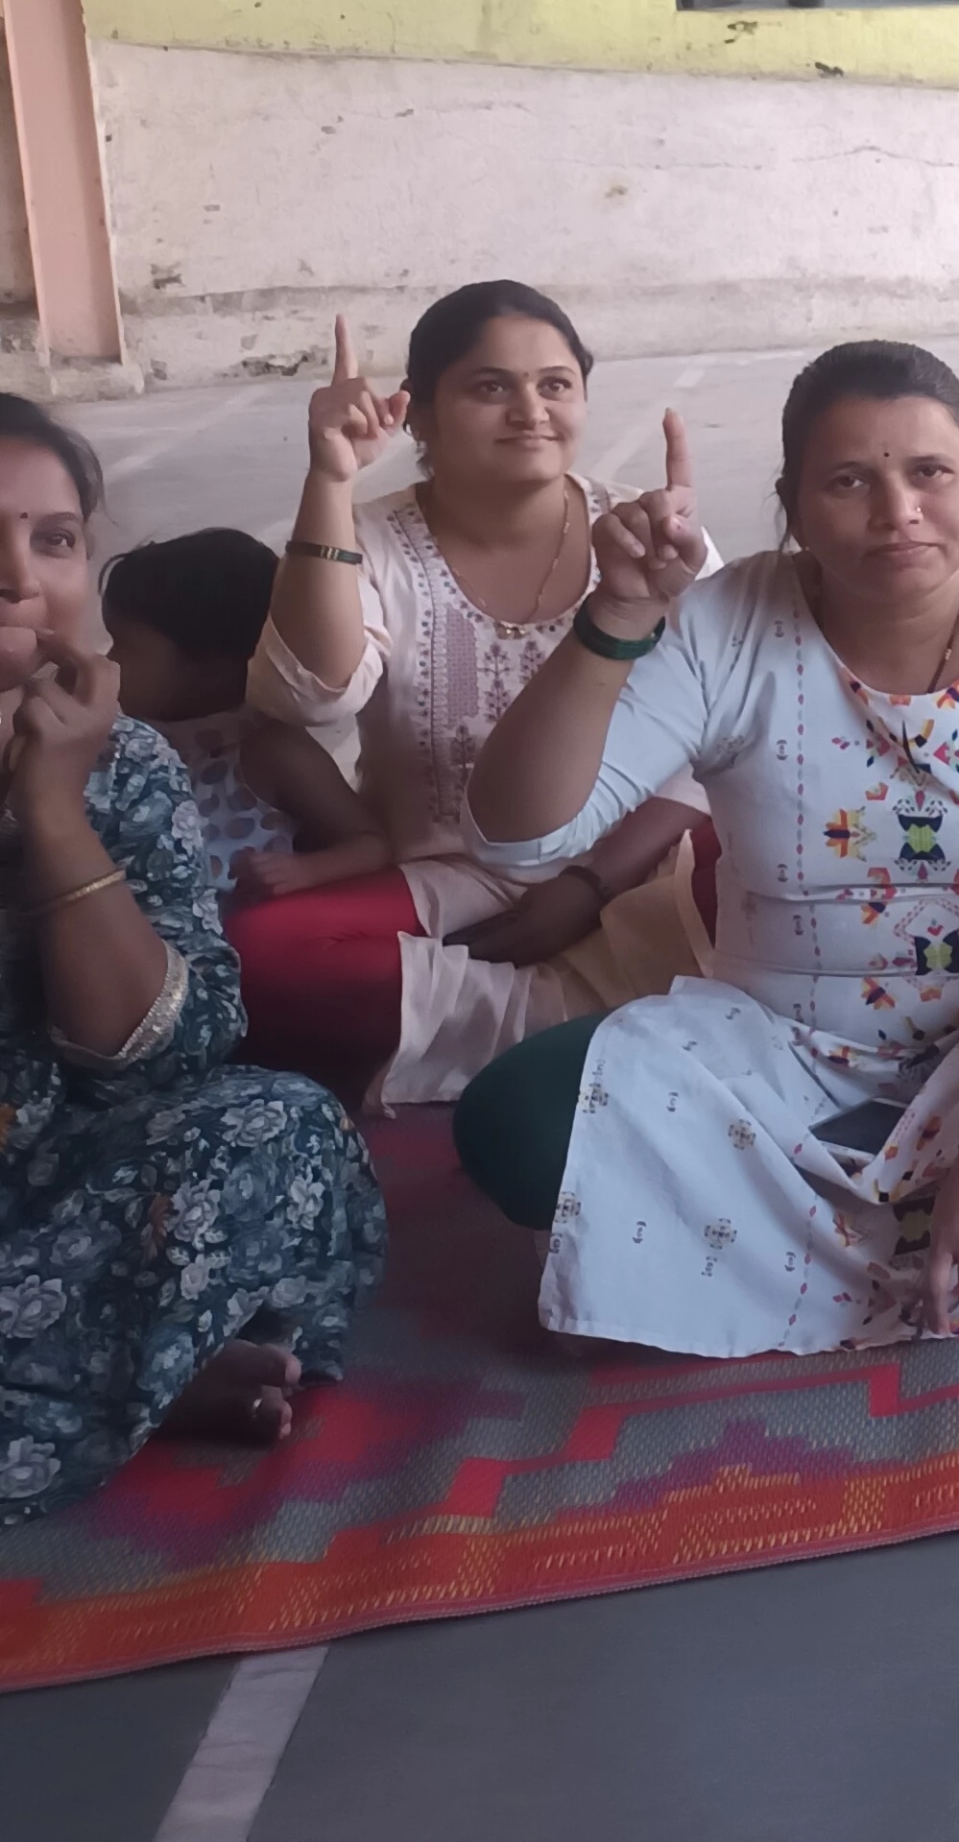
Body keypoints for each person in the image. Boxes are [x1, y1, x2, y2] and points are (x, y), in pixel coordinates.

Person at [453, 345, 959, 1354]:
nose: (897, 511)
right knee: (516, 1121)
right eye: (848, 481)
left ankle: (809, 1245)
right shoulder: (725, 623)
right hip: (771, 1066)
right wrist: (616, 618)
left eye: (930, 473)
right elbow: (522, 832)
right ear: (791, 504)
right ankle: (945, 1241)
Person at [0, 397, 382, 1527]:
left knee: (282, 1132)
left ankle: (97, 1362)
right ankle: (142, 1364)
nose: (17, 576)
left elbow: (168, 1056)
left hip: (61, 1178)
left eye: (53, 540)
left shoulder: (122, 762)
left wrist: (56, 815)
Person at [236, 287, 712, 1107]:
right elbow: (311, 699)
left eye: (556, 385)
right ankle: (606, 1026)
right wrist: (330, 481)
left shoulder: (644, 535)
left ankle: (510, 1021)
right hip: (456, 877)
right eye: (490, 387)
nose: (531, 410)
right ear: (420, 414)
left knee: (782, 881)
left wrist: (587, 887)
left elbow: (721, 751)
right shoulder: (373, 540)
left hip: (640, 862)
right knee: (256, 955)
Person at [101, 527, 385, 896]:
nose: (107, 662)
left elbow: (372, 844)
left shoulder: (269, 749)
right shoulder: (127, 728)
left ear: (210, 667)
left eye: (124, 646)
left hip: (228, 940)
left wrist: (307, 871)